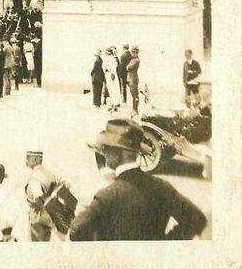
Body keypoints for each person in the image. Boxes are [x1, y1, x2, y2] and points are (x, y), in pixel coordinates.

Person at [69, 119, 207, 241]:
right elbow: (197, 219)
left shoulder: (106, 197)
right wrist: (166, 242)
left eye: (106, 149)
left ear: (117, 154)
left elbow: (76, 230)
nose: (104, 154)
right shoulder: (162, 187)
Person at [25, 149, 59, 242]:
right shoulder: (50, 174)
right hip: (50, 218)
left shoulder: (35, 178)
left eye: (28, 157)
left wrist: (40, 209)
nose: (26, 160)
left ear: (36, 160)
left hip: (38, 221)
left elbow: (38, 196)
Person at [102, 47, 121, 112]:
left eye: (107, 52)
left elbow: (113, 67)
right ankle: (112, 105)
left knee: (113, 90)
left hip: (111, 75)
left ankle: (114, 106)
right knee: (111, 91)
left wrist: (112, 73)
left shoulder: (112, 59)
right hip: (108, 75)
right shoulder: (108, 59)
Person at [126, 46, 141, 115]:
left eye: (132, 52)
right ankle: (134, 109)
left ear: (135, 52)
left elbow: (128, 67)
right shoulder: (133, 60)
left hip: (133, 78)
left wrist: (127, 67)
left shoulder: (136, 60)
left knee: (135, 95)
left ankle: (135, 110)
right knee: (133, 95)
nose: (131, 54)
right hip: (131, 78)